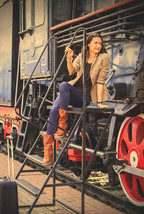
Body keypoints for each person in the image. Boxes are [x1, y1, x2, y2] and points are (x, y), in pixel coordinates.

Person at [42, 32, 110, 165]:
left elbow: (101, 81)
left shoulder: (103, 57)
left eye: (100, 43)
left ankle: (62, 124)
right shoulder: (81, 56)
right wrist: (69, 58)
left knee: (63, 85)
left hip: (86, 97)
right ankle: (48, 152)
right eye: (95, 43)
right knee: (53, 111)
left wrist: (100, 103)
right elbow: (72, 71)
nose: (98, 45)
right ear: (88, 44)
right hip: (73, 92)